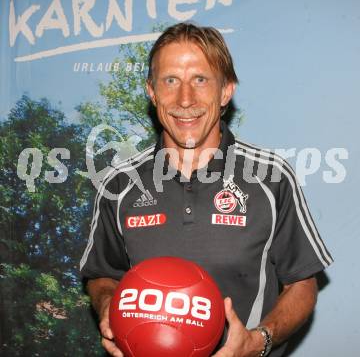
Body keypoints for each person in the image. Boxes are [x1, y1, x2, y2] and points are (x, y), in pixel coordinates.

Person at [80, 22, 333, 357]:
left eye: (201, 79)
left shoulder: (271, 177)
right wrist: (109, 305)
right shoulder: (119, 183)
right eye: (170, 80)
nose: (186, 99)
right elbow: (102, 274)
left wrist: (258, 342)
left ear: (226, 90)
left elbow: (303, 283)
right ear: (151, 91)